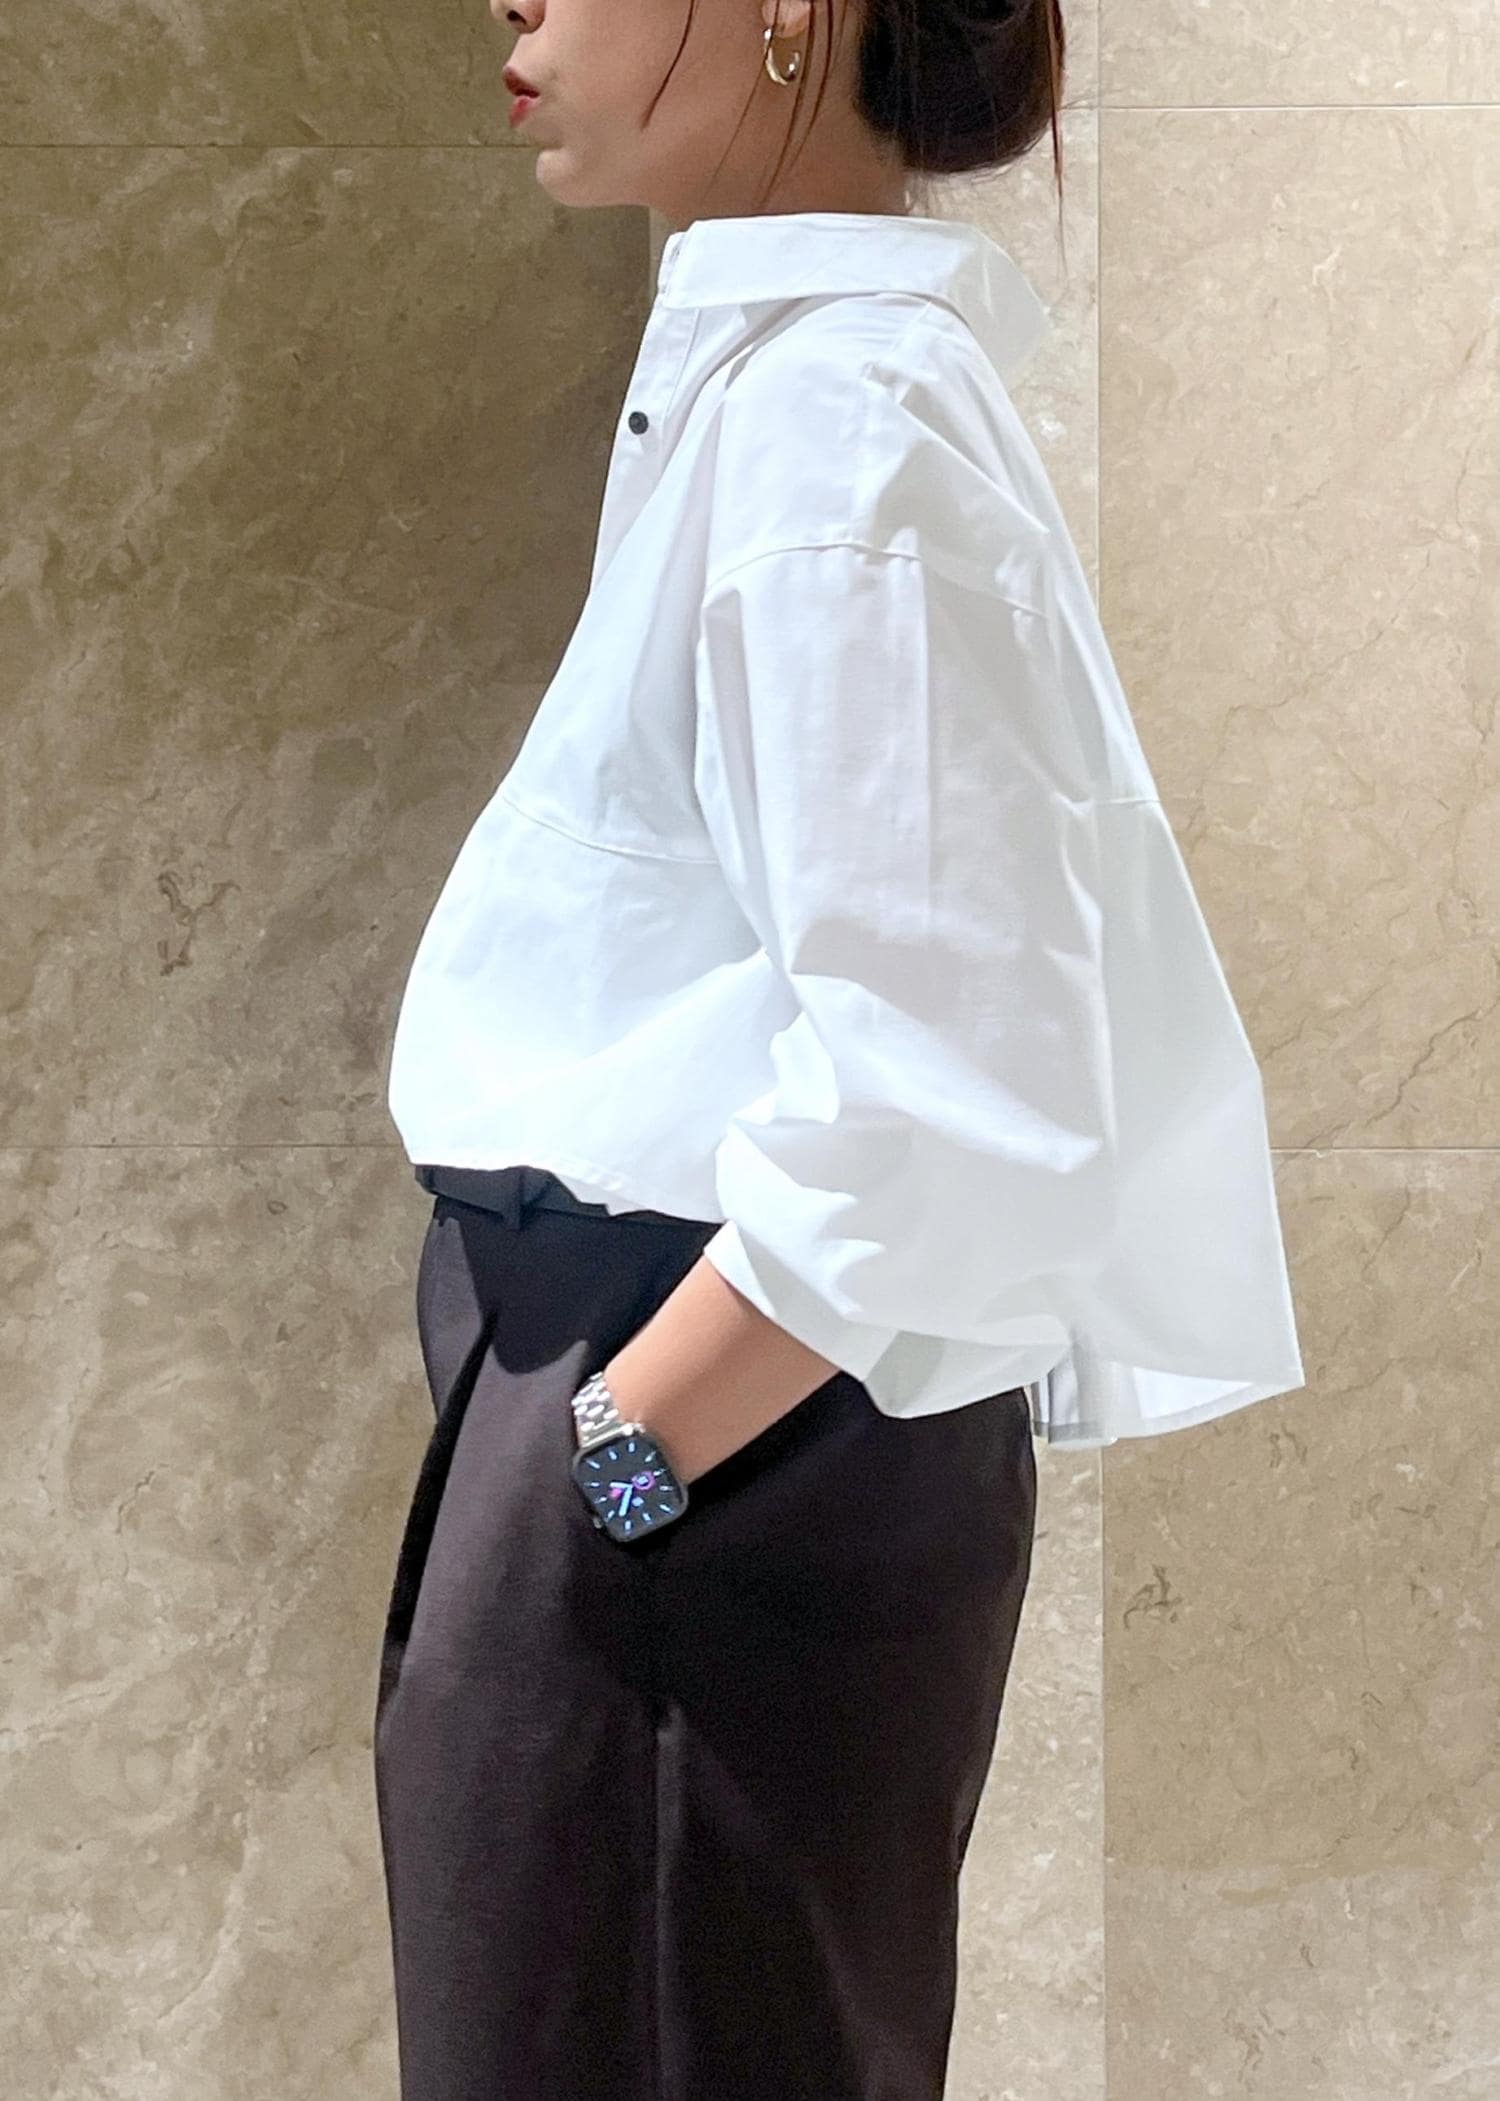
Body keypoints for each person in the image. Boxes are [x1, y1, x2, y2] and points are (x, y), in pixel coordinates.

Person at [372, 1, 1306, 2096]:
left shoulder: (832, 421)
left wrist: (609, 1466)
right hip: (696, 1450)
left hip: (694, 1465)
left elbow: (957, 1078)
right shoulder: (790, 388)